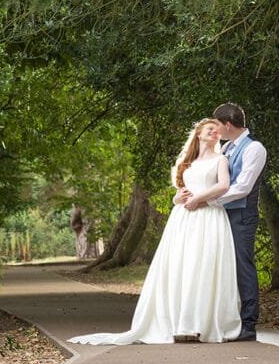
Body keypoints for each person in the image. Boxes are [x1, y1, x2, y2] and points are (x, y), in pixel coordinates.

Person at [68, 118, 242, 345]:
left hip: (208, 216)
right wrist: (176, 198)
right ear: (199, 134)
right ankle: (179, 322)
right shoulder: (186, 162)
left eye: (218, 132)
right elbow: (180, 191)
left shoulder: (220, 160)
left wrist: (199, 199)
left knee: (204, 264)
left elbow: (224, 186)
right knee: (183, 266)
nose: (215, 134)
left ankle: (201, 323)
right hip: (183, 219)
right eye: (210, 130)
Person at [210, 103, 267, 342]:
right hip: (223, 214)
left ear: (228, 125)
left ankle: (249, 323)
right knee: (224, 266)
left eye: (217, 126)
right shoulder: (225, 149)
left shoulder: (254, 148)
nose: (215, 132)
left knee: (243, 265)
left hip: (242, 215)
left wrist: (210, 201)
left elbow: (243, 187)